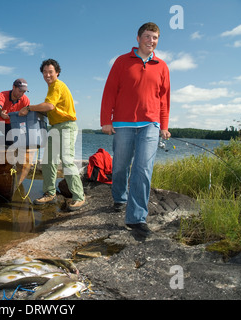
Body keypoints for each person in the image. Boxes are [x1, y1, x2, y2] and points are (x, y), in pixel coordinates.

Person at [100, 22, 171, 237]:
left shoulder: (162, 66)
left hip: (150, 124)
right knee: (120, 166)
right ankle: (120, 197)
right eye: (148, 36)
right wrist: (106, 120)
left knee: (143, 168)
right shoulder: (122, 62)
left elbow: (164, 99)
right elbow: (110, 91)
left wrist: (164, 126)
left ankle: (136, 218)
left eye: (155, 38)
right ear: (138, 38)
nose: (151, 41)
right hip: (122, 124)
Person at [18, 59, 86, 211]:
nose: (47, 75)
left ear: (57, 72)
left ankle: (79, 197)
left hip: (66, 127)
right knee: (48, 161)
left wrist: (29, 108)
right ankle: (50, 193)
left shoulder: (57, 85)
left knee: (67, 161)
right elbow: (50, 109)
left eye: (50, 72)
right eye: (45, 72)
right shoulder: (52, 88)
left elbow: (49, 105)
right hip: (55, 127)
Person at [0, 78, 30, 145]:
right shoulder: (2, 95)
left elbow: (25, 118)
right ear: (13, 87)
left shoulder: (25, 100)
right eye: (20, 91)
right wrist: (1, 113)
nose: (21, 94)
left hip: (9, 123)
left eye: (24, 92)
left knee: (12, 144)